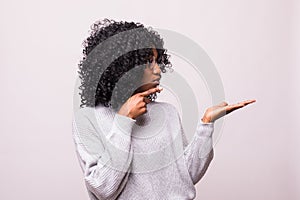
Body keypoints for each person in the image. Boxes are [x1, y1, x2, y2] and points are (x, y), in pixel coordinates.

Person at [72, 19, 256, 200]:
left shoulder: (167, 113)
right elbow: (104, 189)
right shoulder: (88, 119)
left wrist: (206, 124)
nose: (158, 69)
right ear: (123, 65)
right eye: (148, 62)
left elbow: (186, 176)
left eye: (158, 61)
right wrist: (124, 120)